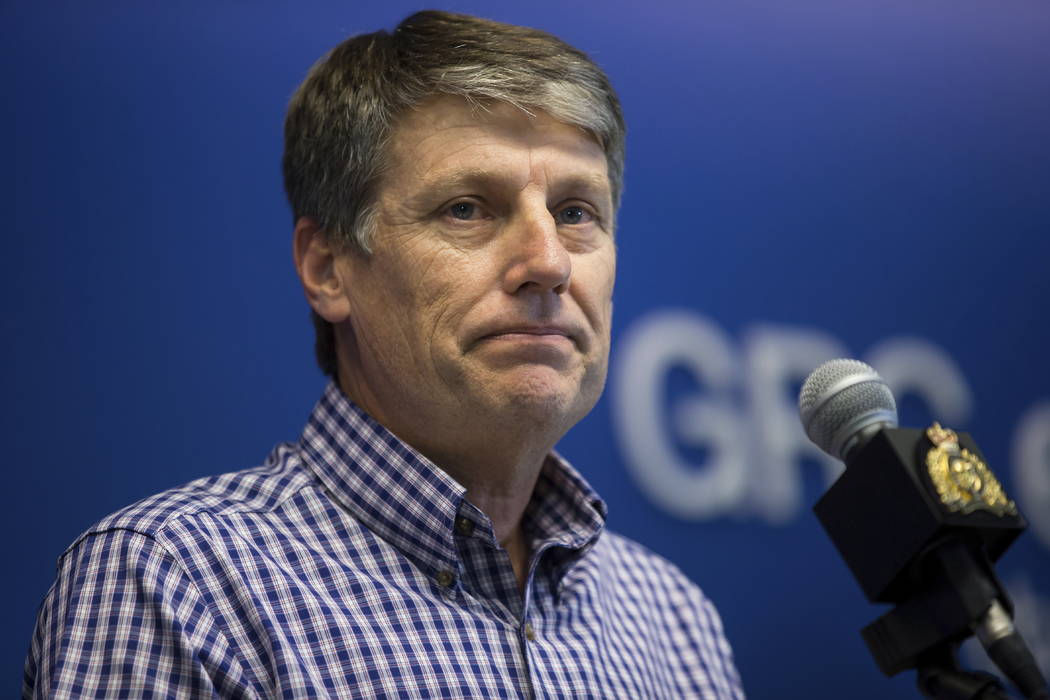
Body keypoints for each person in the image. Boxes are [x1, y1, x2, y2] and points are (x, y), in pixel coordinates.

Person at [24, 10, 744, 698]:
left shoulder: (672, 621)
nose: (548, 261)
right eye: (467, 208)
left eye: (577, 213)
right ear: (328, 267)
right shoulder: (179, 585)